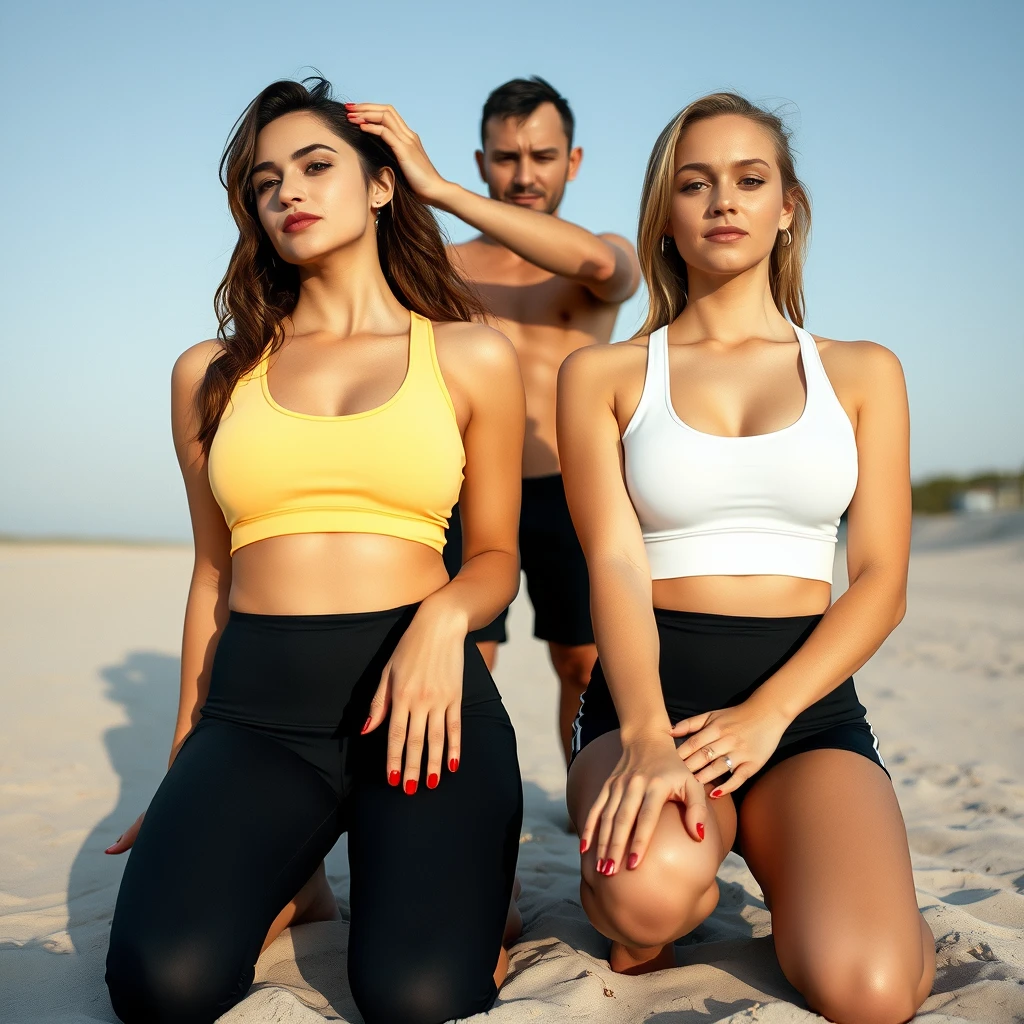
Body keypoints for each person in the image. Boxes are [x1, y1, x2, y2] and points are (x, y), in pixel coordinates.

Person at [103, 77, 525, 1024]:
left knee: (415, 997)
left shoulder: (467, 354)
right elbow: (213, 571)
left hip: (423, 709)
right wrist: (184, 756)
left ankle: (447, 889)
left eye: (315, 164)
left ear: (382, 186)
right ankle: (302, 876)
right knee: (159, 988)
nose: (286, 191)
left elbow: (495, 554)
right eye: (263, 181)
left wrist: (443, 618)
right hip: (256, 716)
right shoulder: (211, 374)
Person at [558, 93, 935, 1022]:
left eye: (748, 179)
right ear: (666, 214)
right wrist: (645, 733)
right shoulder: (604, 375)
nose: (723, 200)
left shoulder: (863, 371)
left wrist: (769, 716)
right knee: (649, 897)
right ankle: (647, 915)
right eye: (695, 183)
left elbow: (881, 580)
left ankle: (838, 883)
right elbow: (612, 564)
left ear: (787, 205)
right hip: (653, 707)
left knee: (870, 992)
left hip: (802, 715)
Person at [346, 77, 640, 762]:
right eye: (506, 158)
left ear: (574, 162)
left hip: (575, 489)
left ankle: (583, 796)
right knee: (465, 656)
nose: (524, 174)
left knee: (586, 663)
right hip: (469, 488)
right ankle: (473, 813)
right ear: (484, 162)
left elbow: (601, 265)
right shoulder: (439, 267)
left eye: (543, 156)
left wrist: (441, 189)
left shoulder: (601, 253)